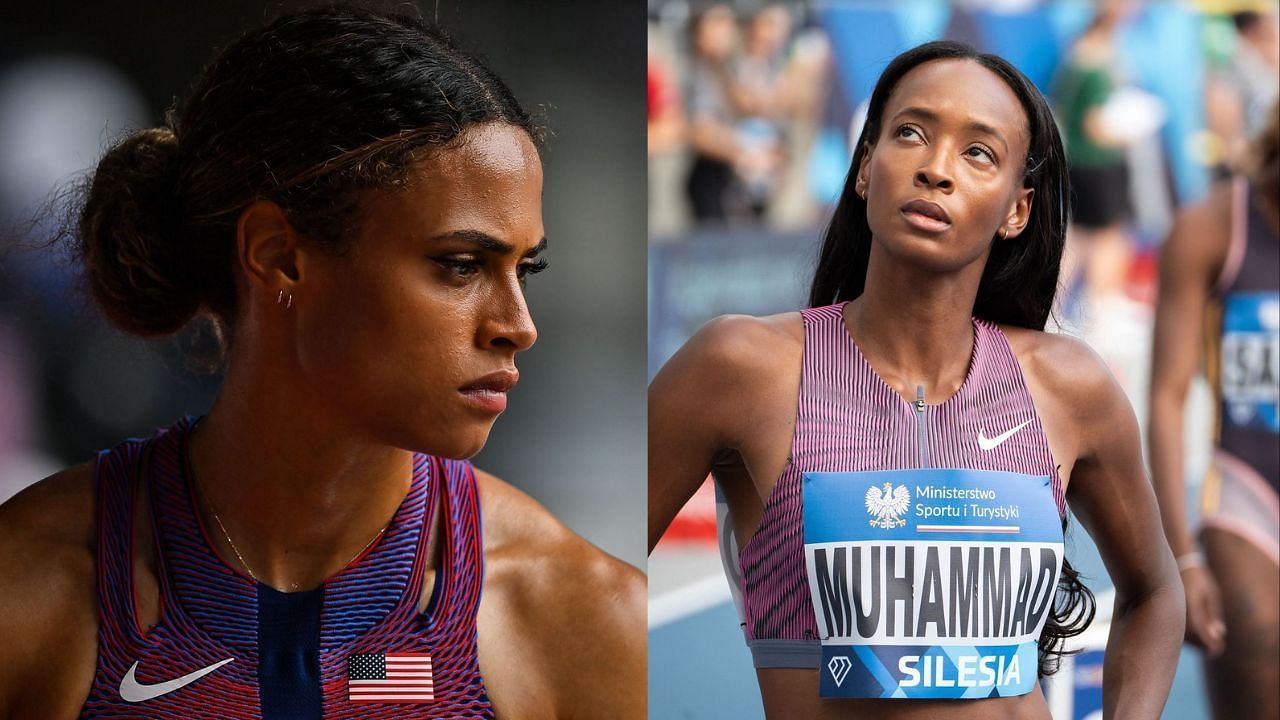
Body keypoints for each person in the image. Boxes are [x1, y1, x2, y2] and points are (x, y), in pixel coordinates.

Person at [0, 6, 643, 718]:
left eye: (527, 268)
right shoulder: (29, 592)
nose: (517, 327)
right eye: (460, 265)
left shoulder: (583, 619)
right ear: (280, 257)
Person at [650, 40, 1183, 719]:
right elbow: (596, 582)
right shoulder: (740, 366)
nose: (936, 169)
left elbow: (1155, 593)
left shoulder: (1066, 383)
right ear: (866, 169)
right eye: (910, 133)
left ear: (1018, 211)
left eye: (978, 152)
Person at [1149, 101, 1279, 720]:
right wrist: (1183, 558)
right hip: (1248, 498)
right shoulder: (1213, 227)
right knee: (1257, 640)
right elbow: (1167, 400)